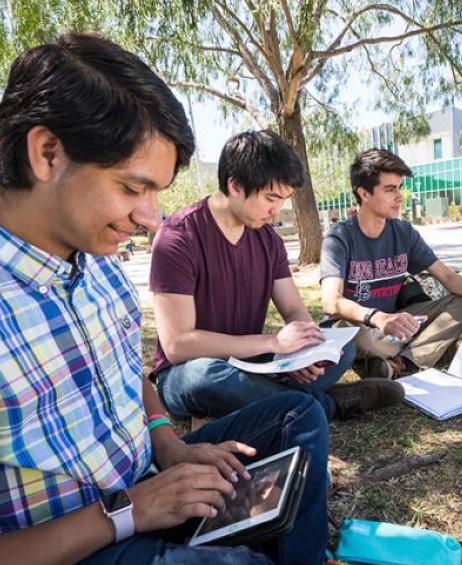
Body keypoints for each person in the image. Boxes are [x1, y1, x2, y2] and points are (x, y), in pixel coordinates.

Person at [0, 33, 332, 565]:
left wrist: (171, 445)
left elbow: (126, 379)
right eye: (132, 188)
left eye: (156, 193)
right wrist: (127, 510)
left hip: (143, 490)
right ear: (47, 153)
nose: (148, 217)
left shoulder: (98, 261)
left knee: (297, 417)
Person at [151, 131, 403, 427]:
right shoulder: (178, 237)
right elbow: (178, 345)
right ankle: (326, 404)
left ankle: (277, 401)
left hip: (255, 363)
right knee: (202, 377)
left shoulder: (268, 239)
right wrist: (273, 342)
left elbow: (294, 309)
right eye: (271, 198)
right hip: (189, 372)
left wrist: (305, 353)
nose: (277, 211)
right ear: (234, 185)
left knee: (343, 346)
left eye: (284, 200)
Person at [320, 149, 462, 379]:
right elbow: (331, 302)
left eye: (399, 188)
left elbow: (448, 278)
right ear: (364, 193)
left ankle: (401, 362)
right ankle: (425, 348)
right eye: (390, 190)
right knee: (357, 338)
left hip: (397, 321)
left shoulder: (404, 232)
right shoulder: (340, 237)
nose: (400, 197)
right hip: (360, 325)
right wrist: (379, 318)